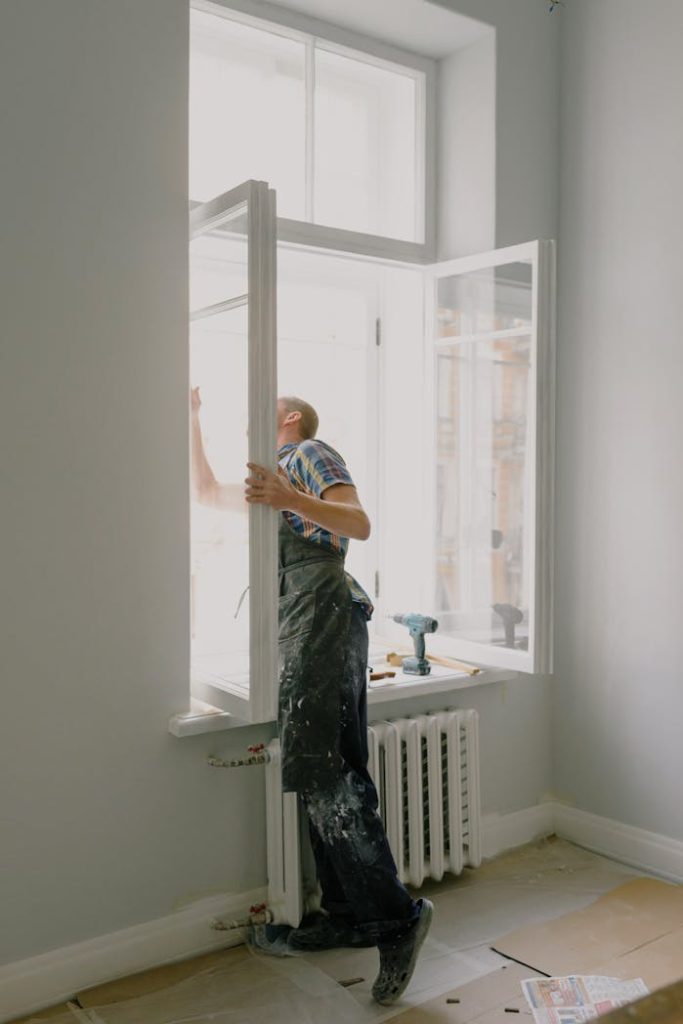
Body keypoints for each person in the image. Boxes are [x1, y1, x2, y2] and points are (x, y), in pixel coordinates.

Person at [191, 389, 432, 1005]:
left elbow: (358, 523)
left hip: (322, 610)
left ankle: (396, 918)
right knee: (325, 768)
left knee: (327, 773)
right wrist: (190, 419)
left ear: (290, 418)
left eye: (263, 406)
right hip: (305, 617)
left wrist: (287, 496)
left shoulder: (306, 453)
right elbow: (205, 492)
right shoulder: (270, 478)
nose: (250, 414)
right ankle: (349, 915)